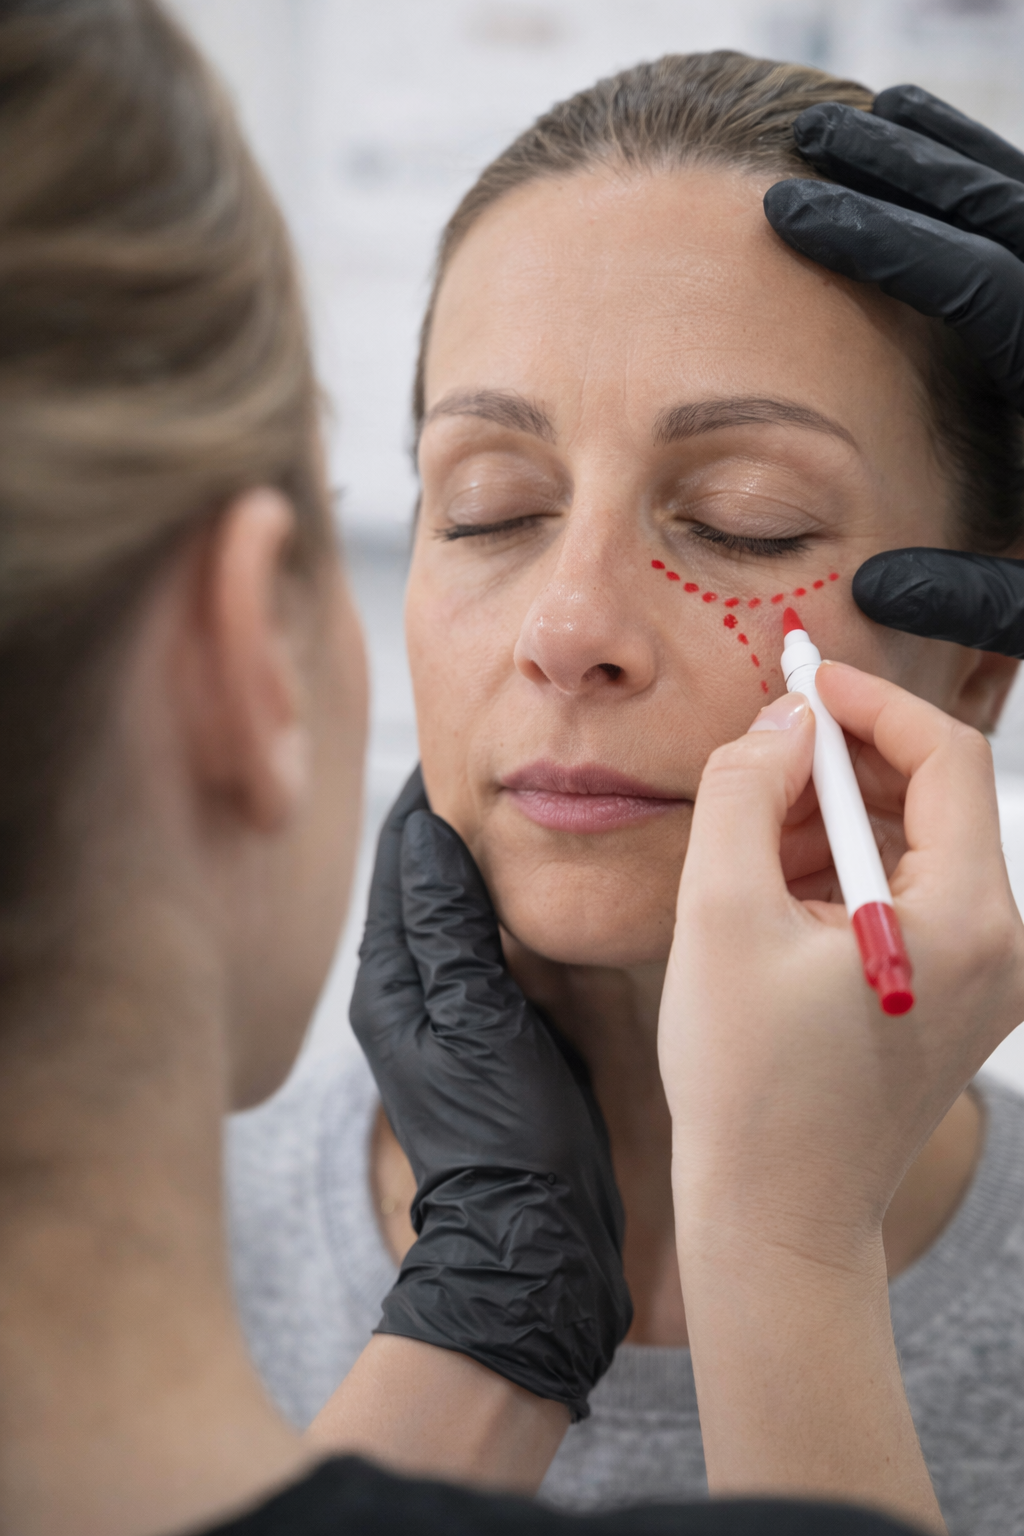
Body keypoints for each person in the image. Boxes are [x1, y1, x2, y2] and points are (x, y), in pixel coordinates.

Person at [5, 5, 1009, 1534]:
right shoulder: (129, 1247)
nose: (569, 628)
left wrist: (780, 1244)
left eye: (742, 519)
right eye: (486, 506)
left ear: (982, 659)